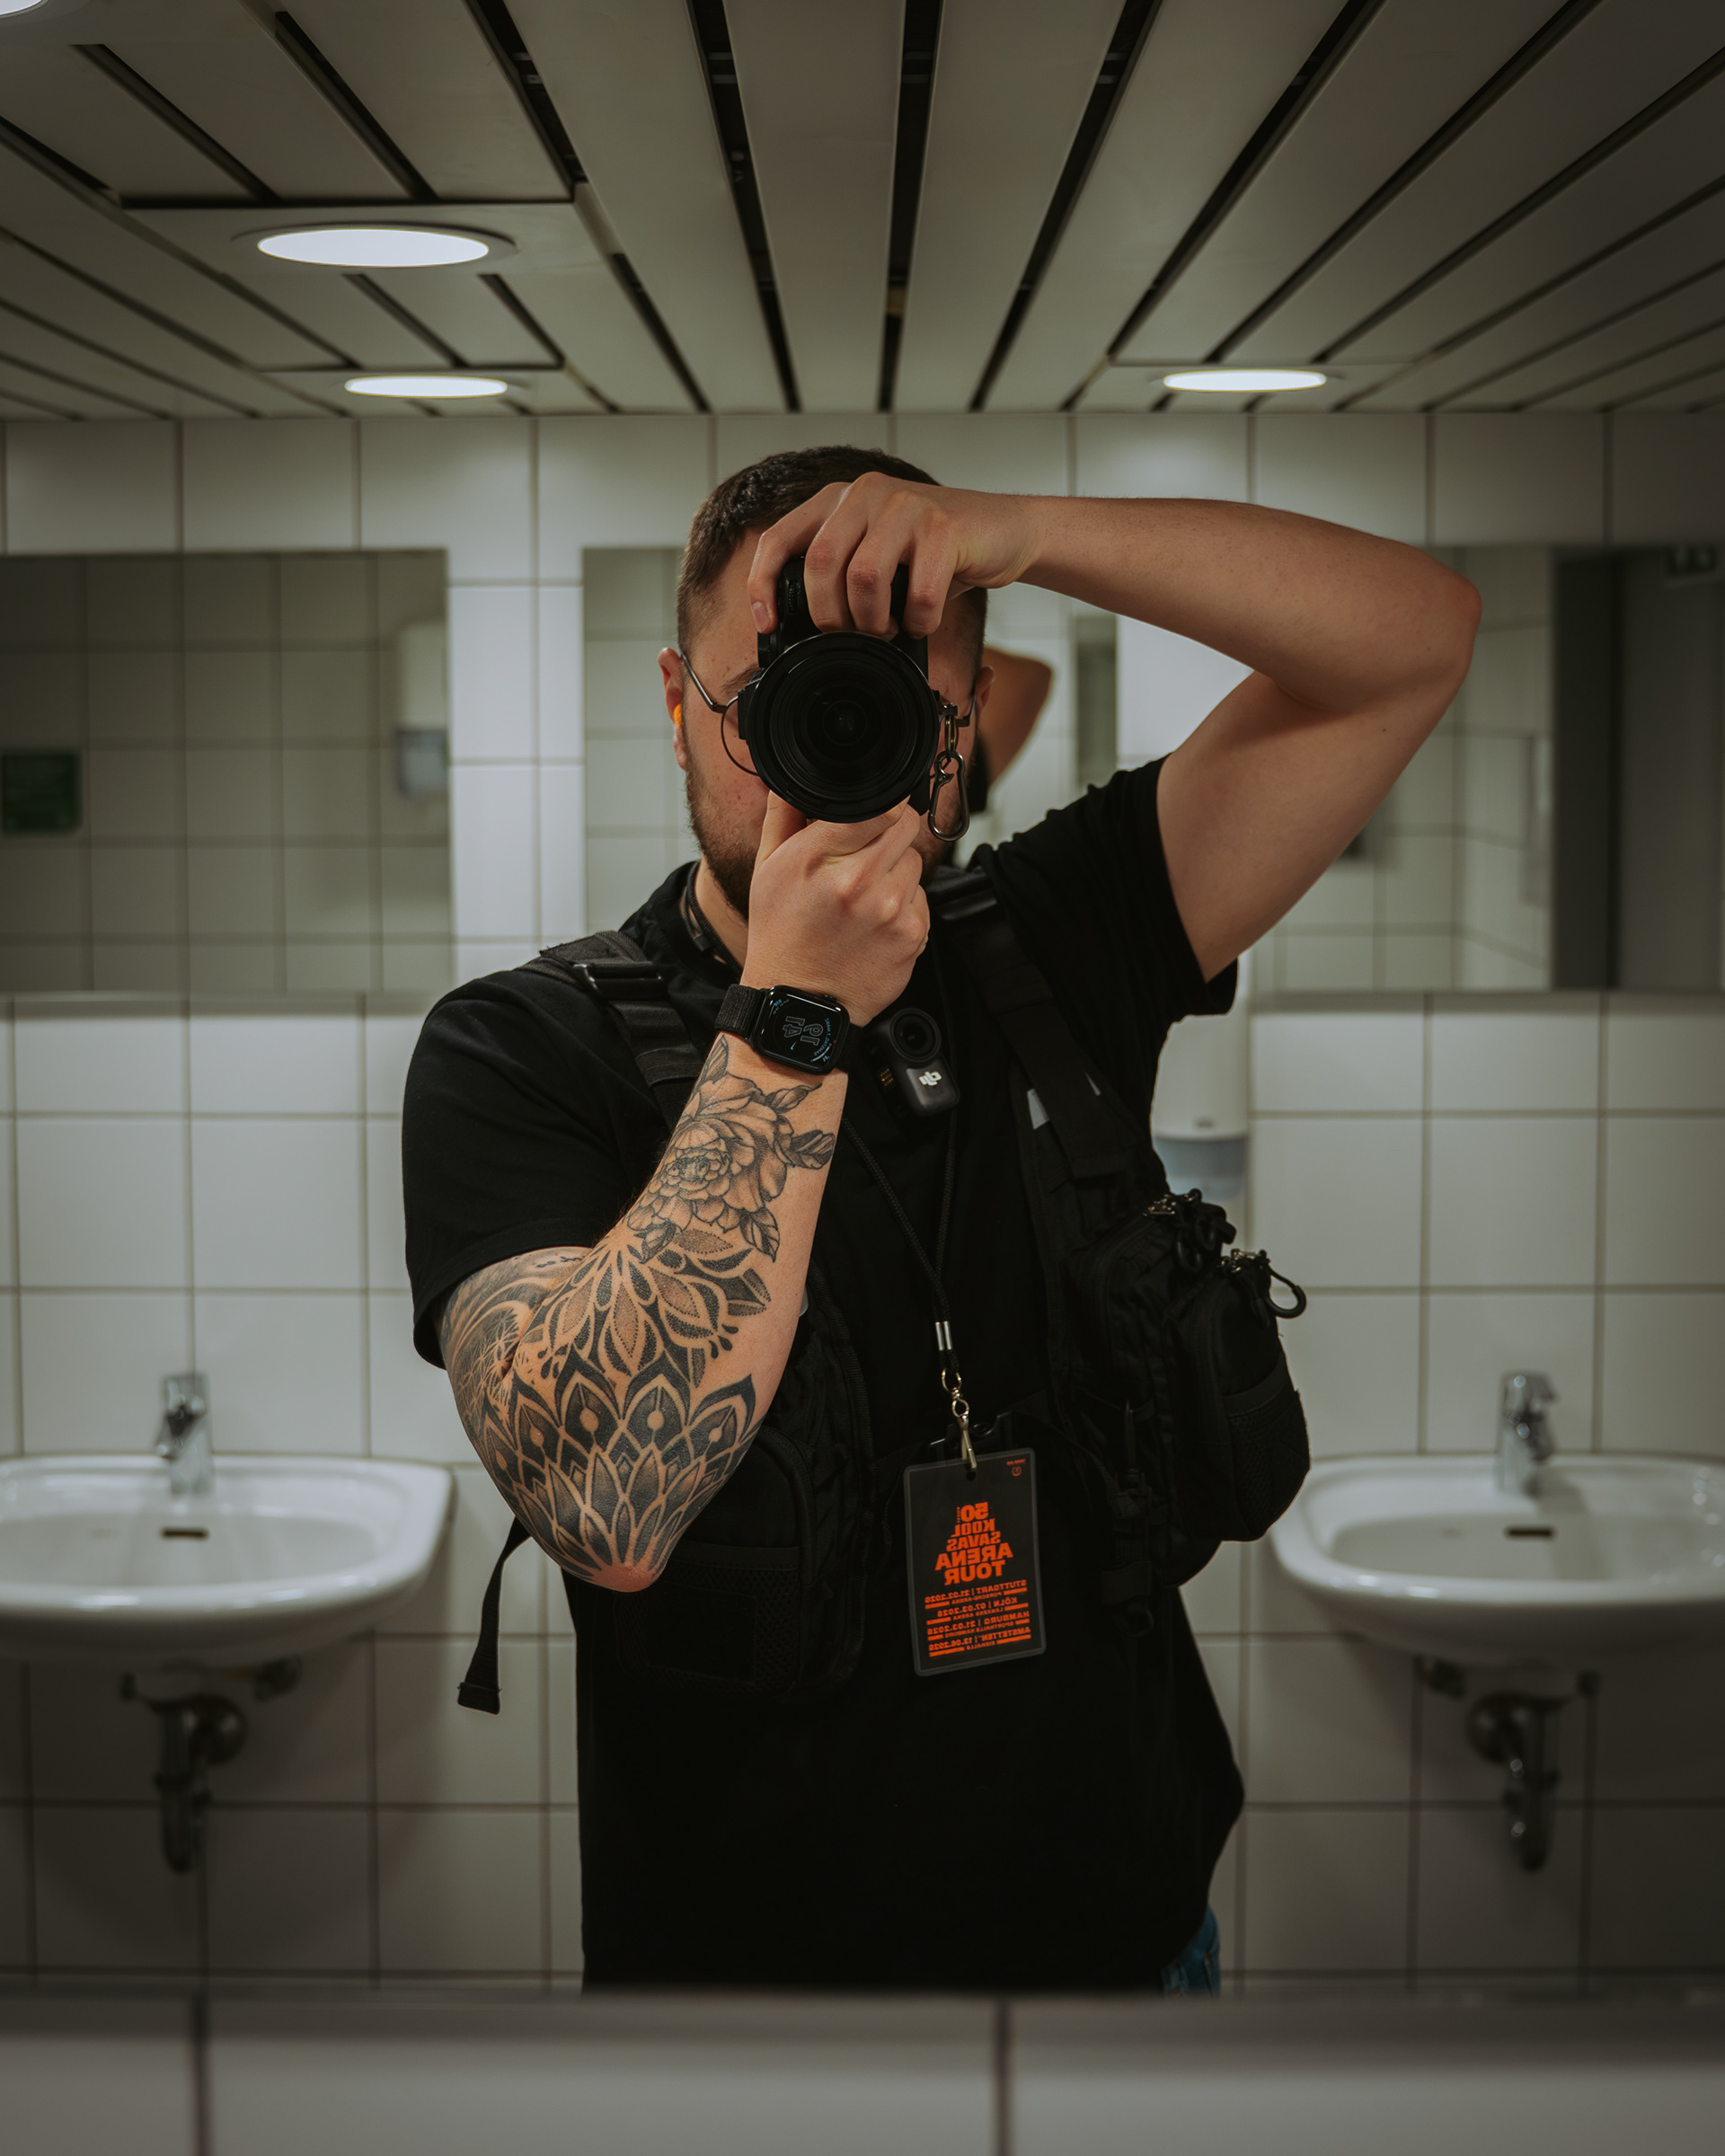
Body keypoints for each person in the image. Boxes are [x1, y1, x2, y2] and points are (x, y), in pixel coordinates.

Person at [402, 445, 1478, 1992]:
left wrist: (1021, 529)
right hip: (740, 1998)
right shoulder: (524, 1047)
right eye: (772, 700)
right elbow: (605, 1507)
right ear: (677, 702)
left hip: (1127, 1941)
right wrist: (792, 1017)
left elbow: (1415, 639)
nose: (821, 753)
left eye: (882, 705)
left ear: (959, 726)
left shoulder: (1057, 935)